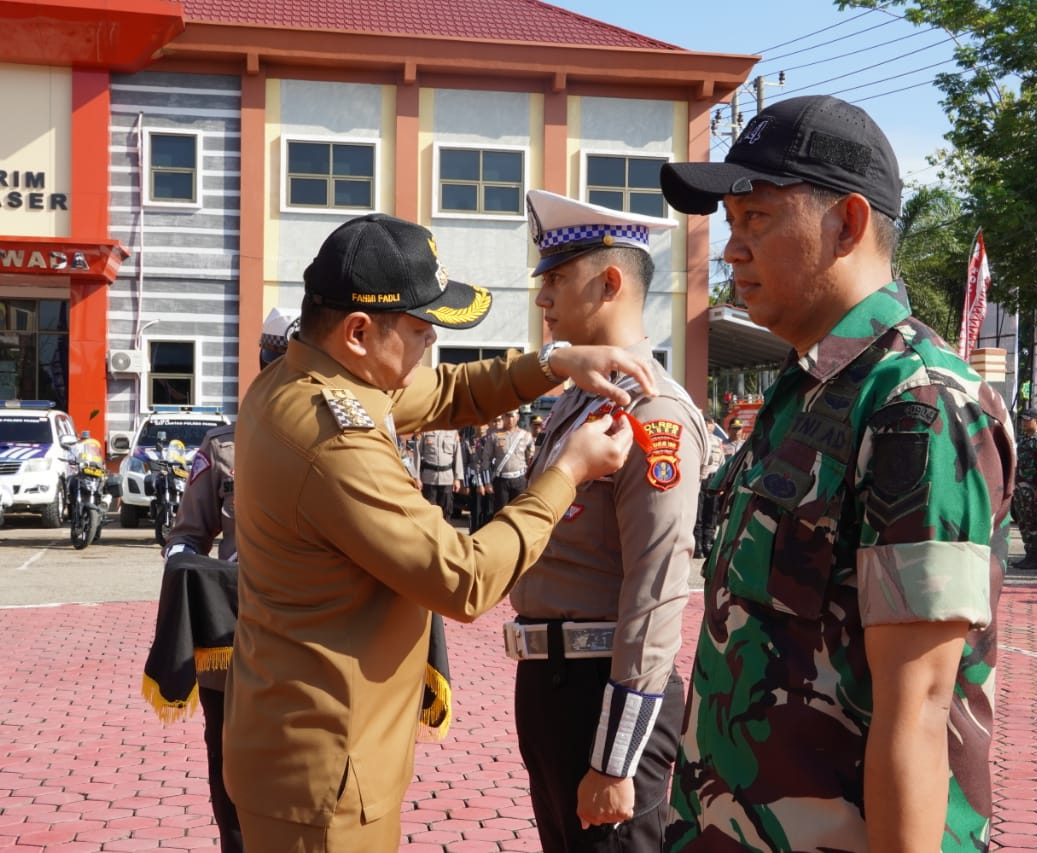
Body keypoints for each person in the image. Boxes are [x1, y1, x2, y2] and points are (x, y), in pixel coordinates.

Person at [222, 212, 657, 851]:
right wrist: (568, 471)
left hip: (314, 744)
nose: (432, 346)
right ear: (360, 331)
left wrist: (557, 361)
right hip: (325, 775)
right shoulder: (329, 437)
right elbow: (465, 577)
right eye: (423, 330)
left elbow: (452, 389)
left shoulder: (313, 377)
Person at [658, 94, 1016, 852]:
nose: (731, 250)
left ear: (847, 224)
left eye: (756, 219)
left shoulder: (916, 402)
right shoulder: (806, 388)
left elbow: (917, 711)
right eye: (730, 225)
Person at [508, 189, 707, 851]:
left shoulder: (654, 415)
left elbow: (654, 592)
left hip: (604, 695)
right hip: (553, 686)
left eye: (558, 279)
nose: (544, 298)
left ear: (611, 281)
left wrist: (615, 757)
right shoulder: (580, 403)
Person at [147, 308, 295, 853]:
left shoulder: (358, 442)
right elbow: (188, 535)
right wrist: (186, 572)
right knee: (232, 769)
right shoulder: (223, 447)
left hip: (318, 639)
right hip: (237, 642)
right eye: (279, 364)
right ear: (266, 365)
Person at [1011, 408, 1037, 571]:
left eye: (1028, 420)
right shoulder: (1024, 439)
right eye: (1023, 420)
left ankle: (1035, 556)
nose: (1024, 423)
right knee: (1023, 521)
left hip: (1033, 488)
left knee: (1034, 522)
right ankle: (1029, 553)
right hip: (1021, 488)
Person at [483, 410, 532, 513]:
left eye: (512, 416)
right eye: (507, 416)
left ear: (518, 417)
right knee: (500, 512)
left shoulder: (526, 436)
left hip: (520, 479)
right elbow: (486, 459)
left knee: (519, 512)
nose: (510, 419)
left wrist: (530, 480)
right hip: (501, 480)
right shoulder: (494, 435)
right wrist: (487, 482)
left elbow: (531, 459)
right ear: (503, 417)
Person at [693, 413, 727, 559]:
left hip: (713, 478)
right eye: (707, 423)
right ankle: (698, 545)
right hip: (699, 478)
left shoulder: (719, 441)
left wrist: (721, 480)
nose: (709, 426)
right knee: (698, 513)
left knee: (712, 512)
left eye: (711, 423)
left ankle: (708, 543)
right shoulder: (697, 439)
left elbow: (722, 462)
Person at [418, 428, 464, 521]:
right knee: (429, 510)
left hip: (447, 478)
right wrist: (416, 477)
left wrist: (457, 478)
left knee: (446, 509)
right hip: (429, 478)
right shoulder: (425, 431)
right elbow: (417, 454)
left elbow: (457, 456)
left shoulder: (453, 433)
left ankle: (445, 534)